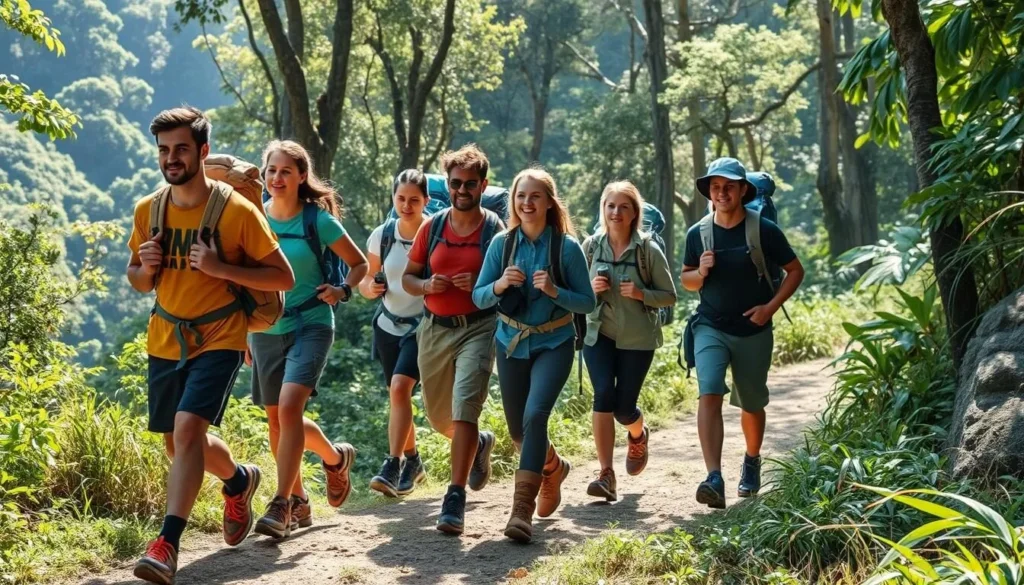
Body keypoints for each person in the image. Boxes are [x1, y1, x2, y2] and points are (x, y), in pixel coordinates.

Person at [127, 107, 295, 585]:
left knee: (185, 432)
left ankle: (166, 544)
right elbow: (138, 281)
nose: (171, 158)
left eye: (181, 148)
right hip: (165, 336)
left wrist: (223, 269)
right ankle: (239, 481)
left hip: (220, 335)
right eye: (163, 150)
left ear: (202, 151)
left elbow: (282, 276)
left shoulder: (236, 212)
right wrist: (145, 265)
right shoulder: (149, 210)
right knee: (179, 443)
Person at [248, 140, 367, 539]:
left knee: (288, 407)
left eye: (285, 171)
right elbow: (244, 280)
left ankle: (280, 504)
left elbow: (359, 263)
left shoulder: (318, 221)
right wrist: (245, 333)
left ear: (302, 176)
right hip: (265, 328)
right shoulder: (255, 219)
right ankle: (328, 466)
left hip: (312, 322)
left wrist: (341, 290)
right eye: (271, 171)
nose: (276, 178)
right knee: (278, 419)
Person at [473, 168, 596, 543]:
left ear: (549, 203)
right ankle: (553, 468)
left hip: (554, 343)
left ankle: (520, 513)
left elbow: (588, 301)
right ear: (513, 201)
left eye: (535, 196)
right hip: (510, 342)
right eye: (521, 196)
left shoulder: (566, 248)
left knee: (534, 416)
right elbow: (478, 296)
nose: (527, 203)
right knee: (517, 431)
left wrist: (556, 291)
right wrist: (500, 283)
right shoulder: (501, 245)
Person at [680, 157, 804, 509]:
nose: (722, 193)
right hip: (710, 326)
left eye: (729, 186)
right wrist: (700, 272)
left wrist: (770, 307)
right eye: (715, 187)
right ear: (709, 192)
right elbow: (686, 280)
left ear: (742, 190)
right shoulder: (698, 233)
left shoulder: (763, 230)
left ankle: (751, 460)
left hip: (753, 328)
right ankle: (714, 477)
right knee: (709, 391)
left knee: (751, 401)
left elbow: (795, 271)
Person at [402, 144, 502, 535]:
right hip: (434, 329)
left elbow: (508, 283)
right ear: (449, 184)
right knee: (439, 416)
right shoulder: (433, 226)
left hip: (479, 327)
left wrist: (481, 284)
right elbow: (408, 278)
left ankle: (454, 496)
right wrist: (426, 283)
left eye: (470, 184)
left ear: (483, 185)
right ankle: (478, 443)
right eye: (456, 183)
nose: (462, 190)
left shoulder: (495, 229)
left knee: (464, 409)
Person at [582, 181, 677, 502]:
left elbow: (670, 296)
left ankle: (638, 434)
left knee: (624, 408)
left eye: (624, 206)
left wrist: (641, 294)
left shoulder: (648, 250)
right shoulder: (592, 247)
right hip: (599, 334)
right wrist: (590, 290)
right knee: (603, 396)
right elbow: (575, 295)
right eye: (610, 205)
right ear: (603, 209)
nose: (616, 212)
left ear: (635, 212)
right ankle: (606, 474)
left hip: (638, 338)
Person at [360, 170, 430, 497]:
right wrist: (371, 288)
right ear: (393, 198)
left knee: (400, 388)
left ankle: (393, 463)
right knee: (397, 395)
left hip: (423, 327)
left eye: (414, 200)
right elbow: (364, 282)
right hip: (387, 326)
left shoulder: (435, 232)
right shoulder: (382, 235)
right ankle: (414, 462)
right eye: (401, 198)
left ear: (426, 201)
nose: (406, 205)